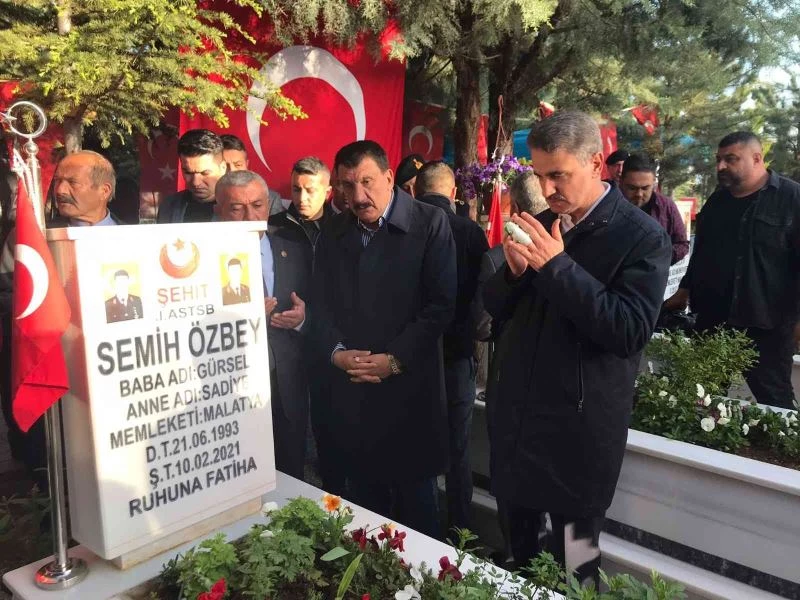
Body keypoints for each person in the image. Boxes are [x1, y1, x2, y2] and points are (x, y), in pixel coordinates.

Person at [483, 111, 670, 584]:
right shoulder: (542, 223)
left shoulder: (642, 236)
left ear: (595, 163)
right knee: (518, 560)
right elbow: (494, 310)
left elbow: (628, 331)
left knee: (578, 566)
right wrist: (512, 276)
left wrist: (557, 267)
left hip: (581, 434)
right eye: (540, 175)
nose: (547, 189)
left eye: (559, 175)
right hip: (519, 421)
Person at [310, 140, 456, 538]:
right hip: (354, 390)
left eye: (367, 182)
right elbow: (319, 305)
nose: (358, 197)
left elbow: (441, 306)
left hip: (410, 392)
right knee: (365, 521)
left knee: (418, 522)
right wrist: (337, 354)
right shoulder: (334, 230)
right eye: (347, 185)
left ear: (390, 178)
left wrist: (394, 360)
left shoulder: (429, 223)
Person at [0, 150, 120, 487]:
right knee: (53, 469)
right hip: (54, 377)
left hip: (112, 381)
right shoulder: (31, 239)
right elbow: (7, 295)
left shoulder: (133, 238)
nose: (61, 190)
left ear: (104, 190)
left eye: (73, 182)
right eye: (59, 181)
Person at [665, 131, 800, 409]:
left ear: (757, 158)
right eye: (718, 159)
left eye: (731, 159)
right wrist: (684, 290)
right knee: (704, 397)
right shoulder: (717, 201)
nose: (721, 166)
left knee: (775, 401)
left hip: (767, 325)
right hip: (713, 319)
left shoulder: (791, 198)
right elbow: (702, 252)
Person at [216, 170, 312, 478]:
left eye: (257, 205)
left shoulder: (293, 246)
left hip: (287, 385)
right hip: (230, 392)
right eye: (236, 208)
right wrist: (242, 319)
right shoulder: (199, 257)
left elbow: (320, 308)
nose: (250, 217)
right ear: (218, 210)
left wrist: (302, 319)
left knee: (291, 476)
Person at [415, 161, 489, 535]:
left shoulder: (407, 228)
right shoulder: (471, 232)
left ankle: (421, 529)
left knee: (416, 445)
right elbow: (485, 297)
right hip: (458, 354)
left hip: (411, 357)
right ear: (454, 193)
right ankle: (461, 531)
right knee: (458, 449)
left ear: (414, 191)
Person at [269, 157, 340, 487]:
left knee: (331, 433)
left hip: (332, 343)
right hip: (285, 344)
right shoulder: (273, 228)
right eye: (296, 189)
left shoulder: (344, 228)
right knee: (290, 434)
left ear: (328, 191)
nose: (302, 197)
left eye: (310, 190)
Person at [619, 153, 689, 265]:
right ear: (621, 182)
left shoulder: (666, 206)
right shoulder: (610, 206)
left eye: (645, 188)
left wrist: (658, 259)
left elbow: (682, 244)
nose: (639, 194)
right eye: (632, 188)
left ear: (654, 184)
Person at [157, 129, 228, 223]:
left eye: (205, 173)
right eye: (188, 173)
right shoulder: (169, 206)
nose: (195, 183)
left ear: (223, 168)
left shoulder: (241, 206)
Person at [221, 134, 286, 216]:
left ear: (246, 164)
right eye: (225, 166)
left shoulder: (270, 198)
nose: (231, 171)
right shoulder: (208, 199)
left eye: (238, 165)